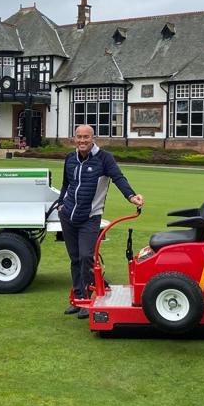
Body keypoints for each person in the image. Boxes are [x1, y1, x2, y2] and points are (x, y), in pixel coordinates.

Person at [57, 125, 144, 319]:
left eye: (86, 137)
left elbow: (118, 178)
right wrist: (61, 204)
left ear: (93, 138)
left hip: (90, 217)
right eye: (79, 137)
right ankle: (79, 298)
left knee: (87, 256)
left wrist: (131, 196)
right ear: (74, 138)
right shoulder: (70, 158)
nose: (82, 141)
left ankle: (89, 300)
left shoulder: (104, 158)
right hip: (68, 216)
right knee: (75, 258)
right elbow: (66, 184)